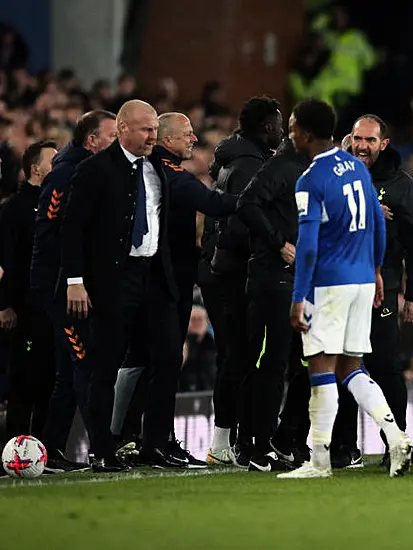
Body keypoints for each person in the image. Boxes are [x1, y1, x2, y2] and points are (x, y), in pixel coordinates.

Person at [277, 99, 411, 479]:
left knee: (320, 368)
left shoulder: (310, 180)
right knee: (352, 367)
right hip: (362, 281)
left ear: (304, 132)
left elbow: (307, 246)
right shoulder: (355, 167)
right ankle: (394, 434)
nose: (290, 133)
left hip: (330, 285)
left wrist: (299, 295)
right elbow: (378, 225)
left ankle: (318, 461)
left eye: (292, 126)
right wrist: (377, 269)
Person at [60, 100, 185, 472]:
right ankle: (101, 450)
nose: (153, 136)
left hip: (153, 279)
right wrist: (75, 281)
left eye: (155, 130)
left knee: (167, 358)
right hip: (113, 281)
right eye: (146, 130)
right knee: (106, 366)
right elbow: (72, 228)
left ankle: (155, 444)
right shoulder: (94, 170)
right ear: (123, 129)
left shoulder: (157, 168)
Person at [111, 112, 236, 468]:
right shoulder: (172, 175)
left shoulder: (154, 170)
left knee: (141, 361)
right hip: (166, 285)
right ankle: (152, 441)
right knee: (163, 361)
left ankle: (130, 438)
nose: (193, 139)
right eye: (187, 134)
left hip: (158, 280)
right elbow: (216, 204)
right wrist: (262, 190)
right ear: (167, 140)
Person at [332, 114, 413, 468]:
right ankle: (342, 447)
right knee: (340, 364)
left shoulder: (401, 184)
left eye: (370, 141)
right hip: (339, 285)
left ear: (383, 144)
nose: (362, 146)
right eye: (358, 139)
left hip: (382, 290)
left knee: (385, 367)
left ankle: (395, 441)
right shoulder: (335, 174)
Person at [31, 110, 117, 473]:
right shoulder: (68, 174)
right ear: (92, 140)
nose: (117, 143)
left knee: (69, 372)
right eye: (112, 136)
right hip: (61, 291)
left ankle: (50, 449)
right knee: (84, 365)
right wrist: (68, 281)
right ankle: (101, 447)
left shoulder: (88, 170)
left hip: (69, 286)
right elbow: (50, 231)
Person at [202, 96, 283, 466]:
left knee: (238, 356)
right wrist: (274, 244)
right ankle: (223, 440)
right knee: (237, 357)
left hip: (224, 270)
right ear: (267, 127)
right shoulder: (250, 165)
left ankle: (233, 439)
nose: (282, 133)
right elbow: (239, 223)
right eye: (279, 126)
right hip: (235, 274)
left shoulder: (235, 159)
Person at [234, 128, 314, 471]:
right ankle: (255, 443)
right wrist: (278, 242)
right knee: (272, 363)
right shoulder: (280, 167)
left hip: (303, 282)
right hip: (273, 279)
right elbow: (246, 205)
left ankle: (283, 439)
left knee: (301, 363)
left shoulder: (314, 171)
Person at [0, 140, 57, 442]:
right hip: (24, 309)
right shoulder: (13, 209)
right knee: (24, 382)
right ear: (36, 169)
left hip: (51, 309)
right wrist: (4, 305)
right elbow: (5, 261)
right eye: (53, 160)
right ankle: (15, 448)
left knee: (50, 378)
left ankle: (45, 449)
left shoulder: (58, 204)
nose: (59, 164)